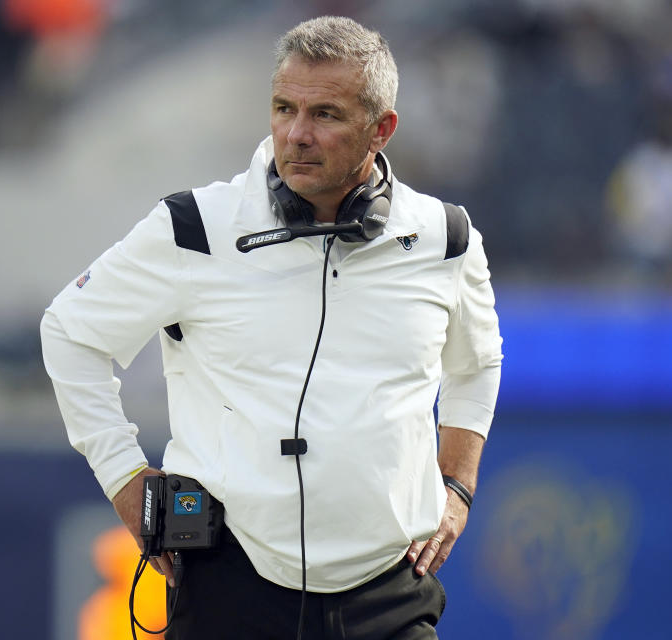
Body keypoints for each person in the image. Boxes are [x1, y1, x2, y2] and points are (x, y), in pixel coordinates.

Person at [41, 16, 502, 640]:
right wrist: (123, 475)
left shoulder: (446, 237)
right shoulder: (194, 227)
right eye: (284, 108)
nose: (297, 134)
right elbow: (71, 332)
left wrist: (458, 486)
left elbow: (475, 364)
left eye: (326, 115)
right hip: (229, 586)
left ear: (382, 128)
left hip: (390, 593)